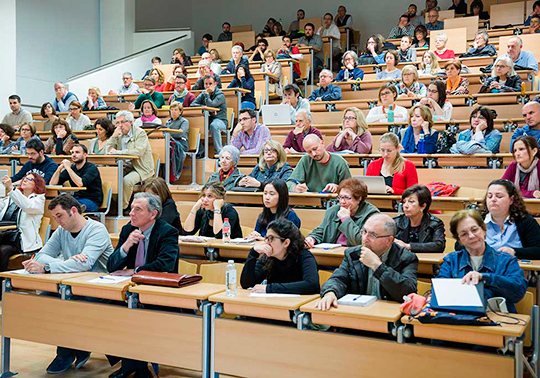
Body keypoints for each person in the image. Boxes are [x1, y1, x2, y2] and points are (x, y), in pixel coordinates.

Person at [24, 194, 112, 374]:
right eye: (55, 217)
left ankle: (67, 352)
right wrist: (67, 261)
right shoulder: (62, 231)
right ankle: (76, 348)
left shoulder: (97, 229)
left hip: (99, 289)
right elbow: (42, 255)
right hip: (71, 285)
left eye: (59, 216)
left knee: (67, 305)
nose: (57, 222)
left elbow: (84, 264)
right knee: (46, 299)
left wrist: (48, 267)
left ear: (73, 211)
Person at [106, 192, 180, 378]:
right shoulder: (127, 231)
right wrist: (126, 246)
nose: (131, 213)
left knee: (137, 316)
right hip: (131, 291)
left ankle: (136, 367)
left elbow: (165, 265)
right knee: (104, 309)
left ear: (153, 214)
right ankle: (131, 364)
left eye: (137, 209)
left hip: (158, 292)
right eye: (131, 208)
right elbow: (111, 266)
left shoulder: (167, 232)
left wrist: (133, 271)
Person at [316, 213, 418, 310]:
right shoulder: (353, 254)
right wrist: (330, 292)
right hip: (358, 313)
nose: (365, 238)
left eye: (372, 235)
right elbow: (338, 279)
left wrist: (377, 266)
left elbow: (407, 292)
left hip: (390, 319)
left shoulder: (406, 258)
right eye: (364, 232)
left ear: (389, 240)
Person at [438, 209, 527, 313]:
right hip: (461, 319)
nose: (471, 236)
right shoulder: (451, 260)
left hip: (499, 322)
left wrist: (485, 278)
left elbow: (518, 292)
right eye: (464, 234)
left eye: (474, 230)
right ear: (459, 240)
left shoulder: (506, 260)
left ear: (484, 230)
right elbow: (440, 292)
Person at [241, 218, 319, 294]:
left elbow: (311, 284)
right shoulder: (268, 257)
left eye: (271, 238)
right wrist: (253, 253)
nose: (267, 242)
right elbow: (247, 284)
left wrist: (269, 288)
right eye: (266, 238)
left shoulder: (304, 256)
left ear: (286, 243)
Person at [305, 178, 379, 248]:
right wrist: (312, 238)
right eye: (340, 197)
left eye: (347, 198)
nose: (342, 202)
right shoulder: (333, 211)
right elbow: (321, 231)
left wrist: (346, 219)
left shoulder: (371, 214)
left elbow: (361, 241)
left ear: (359, 198)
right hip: (332, 253)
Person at [107, 111, 155, 211]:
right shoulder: (118, 134)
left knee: (126, 181)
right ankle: (113, 204)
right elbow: (107, 150)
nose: (120, 126)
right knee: (110, 177)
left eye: (122, 122)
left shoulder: (140, 133)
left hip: (140, 167)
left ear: (131, 122)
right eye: (118, 123)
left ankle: (122, 208)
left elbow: (139, 151)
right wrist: (113, 137)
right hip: (124, 166)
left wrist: (119, 152)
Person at [481, 179, 540, 259]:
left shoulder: (525, 220)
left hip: (516, 268)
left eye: (499, 196)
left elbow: (538, 250)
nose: (493, 199)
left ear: (511, 200)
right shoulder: (478, 219)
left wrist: (514, 252)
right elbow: (460, 245)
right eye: (489, 196)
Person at [0, 173, 45, 272]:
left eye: (29, 179)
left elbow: (26, 206)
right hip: (5, 236)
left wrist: (11, 188)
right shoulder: (11, 198)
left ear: (37, 184)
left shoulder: (38, 200)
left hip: (21, 242)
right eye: (24, 178)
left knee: (3, 250)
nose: (25, 180)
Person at [286, 134, 351, 193]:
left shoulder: (340, 162)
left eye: (315, 149)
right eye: (309, 152)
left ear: (322, 143)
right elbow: (289, 183)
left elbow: (350, 188)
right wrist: (295, 188)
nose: (313, 154)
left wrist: (337, 187)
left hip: (333, 202)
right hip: (311, 202)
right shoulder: (305, 160)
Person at [49, 144, 103, 212]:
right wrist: (59, 169)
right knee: (57, 204)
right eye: (72, 152)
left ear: (85, 155)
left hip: (92, 201)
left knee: (67, 207)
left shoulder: (92, 168)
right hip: (76, 199)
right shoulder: (72, 168)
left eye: (77, 152)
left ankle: (77, 210)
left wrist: (68, 168)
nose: (74, 155)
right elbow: (52, 183)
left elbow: (80, 183)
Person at [394, 185, 446, 253]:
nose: (405, 206)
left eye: (411, 202)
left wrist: (409, 246)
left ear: (423, 206)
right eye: (404, 202)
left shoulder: (435, 223)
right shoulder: (396, 222)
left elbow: (439, 245)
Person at [191, 74, 228, 154]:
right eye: (206, 84)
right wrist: (204, 106)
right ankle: (200, 151)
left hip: (220, 121)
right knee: (195, 125)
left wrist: (207, 96)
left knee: (214, 125)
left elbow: (211, 105)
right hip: (207, 121)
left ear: (215, 84)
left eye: (210, 84)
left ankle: (219, 152)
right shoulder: (203, 93)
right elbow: (193, 104)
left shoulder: (220, 95)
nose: (208, 86)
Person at [165, 101, 189, 181]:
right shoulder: (168, 122)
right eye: (171, 110)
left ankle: (174, 174)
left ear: (180, 111)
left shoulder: (184, 121)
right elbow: (164, 133)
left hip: (182, 143)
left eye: (175, 110)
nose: (173, 112)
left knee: (172, 147)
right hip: (170, 142)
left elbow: (180, 134)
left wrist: (169, 133)